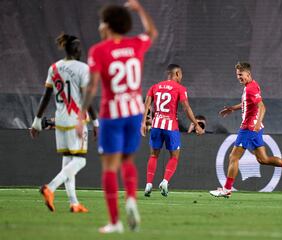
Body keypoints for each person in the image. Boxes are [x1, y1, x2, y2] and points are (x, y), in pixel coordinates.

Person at [76, 0, 158, 234]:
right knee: (127, 161)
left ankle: (115, 222)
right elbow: (152, 32)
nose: (100, 27)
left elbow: (91, 87)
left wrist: (82, 112)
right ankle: (131, 198)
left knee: (109, 168)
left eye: (102, 23)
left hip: (112, 115)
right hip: (134, 112)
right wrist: (140, 9)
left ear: (109, 25)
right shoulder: (135, 45)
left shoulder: (99, 51)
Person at [209, 62, 282, 198]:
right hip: (255, 128)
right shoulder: (251, 85)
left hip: (249, 128)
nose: (239, 77)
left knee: (233, 157)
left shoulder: (250, 88)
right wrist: (232, 108)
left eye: (241, 75)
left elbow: (262, 107)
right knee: (263, 159)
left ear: (248, 74)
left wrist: (257, 123)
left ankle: (227, 189)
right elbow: (246, 103)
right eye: (237, 75)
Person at [30, 33, 98, 213]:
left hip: (60, 121)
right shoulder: (82, 68)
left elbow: (45, 97)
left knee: (68, 162)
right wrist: (96, 122)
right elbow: (86, 98)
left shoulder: (54, 68)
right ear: (75, 49)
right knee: (80, 162)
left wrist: (37, 121)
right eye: (80, 47)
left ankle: (74, 203)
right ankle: (50, 188)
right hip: (76, 121)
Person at [141, 64, 205, 197]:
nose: (181, 77)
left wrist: (142, 123)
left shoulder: (155, 86)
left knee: (153, 156)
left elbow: (146, 105)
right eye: (180, 74)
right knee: (174, 157)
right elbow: (186, 108)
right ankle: (165, 182)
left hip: (156, 125)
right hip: (171, 127)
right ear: (176, 74)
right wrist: (196, 124)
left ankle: (148, 184)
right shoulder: (180, 88)